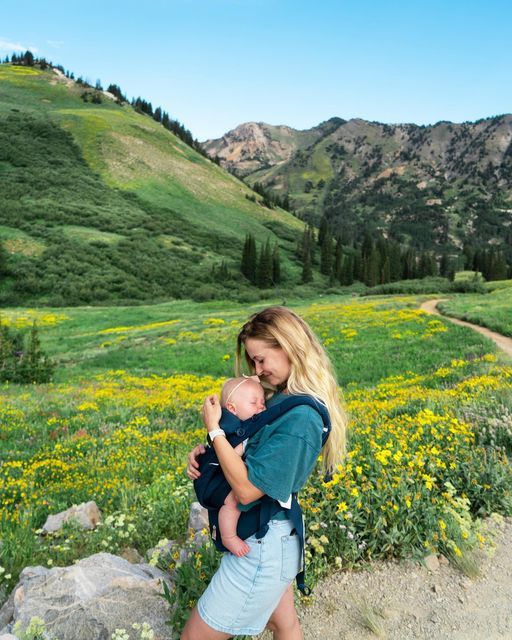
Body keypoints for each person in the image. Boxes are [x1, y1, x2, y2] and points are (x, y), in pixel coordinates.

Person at [182, 306, 347, 640]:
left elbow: (245, 491)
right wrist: (212, 454)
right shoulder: (283, 398)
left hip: (262, 544)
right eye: (252, 362)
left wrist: (214, 431)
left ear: (288, 348)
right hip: (271, 538)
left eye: (260, 359)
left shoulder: (301, 419)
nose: (256, 372)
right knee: (283, 624)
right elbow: (243, 448)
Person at [214, 375, 266, 557]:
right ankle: (229, 536)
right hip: (226, 478)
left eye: (263, 402)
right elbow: (231, 456)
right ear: (232, 408)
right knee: (232, 502)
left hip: (232, 476)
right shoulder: (235, 430)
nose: (261, 406)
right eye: (254, 402)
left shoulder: (243, 424)